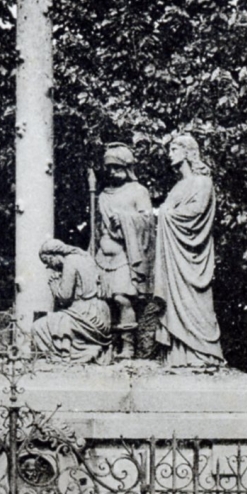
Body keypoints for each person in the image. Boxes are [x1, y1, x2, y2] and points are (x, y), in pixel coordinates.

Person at [153, 134, 225, 368]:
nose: (169, 153)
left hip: (192, 256)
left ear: (187, 152)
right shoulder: (178, 186)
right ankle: (179, 355)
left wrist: (164, 214)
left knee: (196, 303)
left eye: (174, 148)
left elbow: (196, 212)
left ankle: (203, 354)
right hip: (175, 256)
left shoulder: (202, 182)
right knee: (176, 301)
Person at [93, 143, 155, 359]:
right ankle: (108, 344)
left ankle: (128, 346)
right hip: (103, 256)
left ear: (127, 167)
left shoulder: (138, 192)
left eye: (116, 167)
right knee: (104, 302)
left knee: (122, 299)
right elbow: (98, 228)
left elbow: (148, 222)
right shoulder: (102, 195)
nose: (111, 172)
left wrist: (125, 219)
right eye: (108, 167)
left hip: (124, 255)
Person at [32, 239, 112, 364]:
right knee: (59, 319)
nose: (51, 266)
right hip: (102, 313)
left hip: (86, 313)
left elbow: (64, 296)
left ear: (55, 255)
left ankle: (72, 355)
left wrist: (54, 285)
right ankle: (89, 349)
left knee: (38, 326)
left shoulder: (70, 262)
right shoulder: (86, 257)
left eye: (48, 261)